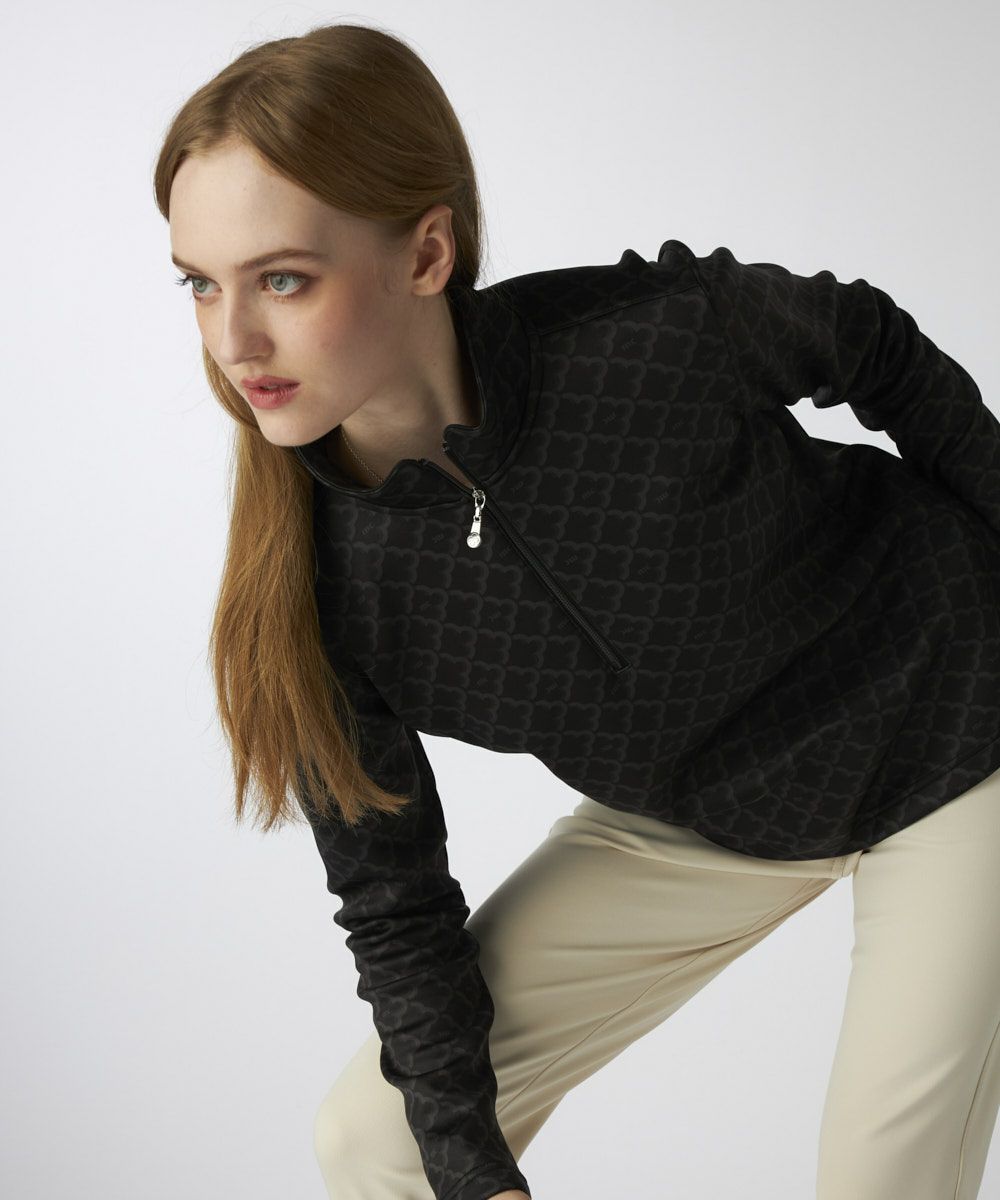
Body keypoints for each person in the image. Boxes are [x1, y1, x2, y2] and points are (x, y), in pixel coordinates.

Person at [153, 20, 1000, 1200]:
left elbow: (869, 344)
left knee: (880, 1177)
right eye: (200, 284)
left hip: (949, 721)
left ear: (426, 254)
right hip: (693, 816)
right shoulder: (312, 591)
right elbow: (394, 906)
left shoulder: (637, 339)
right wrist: (476, 1171)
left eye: (282, 279)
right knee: (376, 1141)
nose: (232, 341)